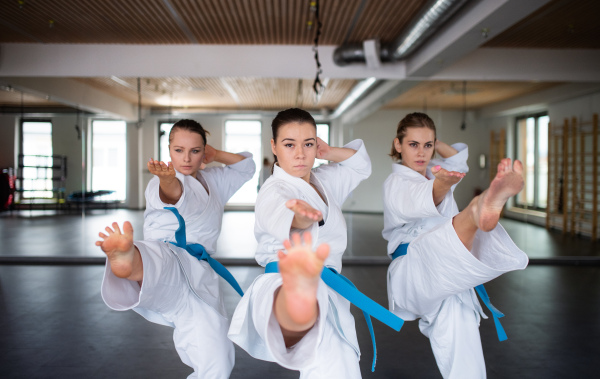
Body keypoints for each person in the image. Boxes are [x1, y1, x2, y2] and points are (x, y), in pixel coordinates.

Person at [228, 108, 402, 379]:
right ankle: (298, 302)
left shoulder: (325, 179)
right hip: (282, 281)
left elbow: (361, 165)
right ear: (273, 146)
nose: (300, 153)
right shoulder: (274, 190)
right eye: (289, 144)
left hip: (327, 287)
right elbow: (279, 215)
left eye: (308, 144)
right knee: (328, 357)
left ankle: (303, 304)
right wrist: (299, 216)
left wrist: (328, 151)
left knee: (336, 364)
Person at [97, 119, 255, 379]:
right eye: (178, 150)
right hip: (168, 254)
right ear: (168, 149)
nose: (186, 158)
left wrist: (217, 154)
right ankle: (129, 258)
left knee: (218, 358)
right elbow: (175, 195)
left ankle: (134, 261)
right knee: (157, 260)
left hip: (199, 274)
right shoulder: (162, 182)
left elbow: (245, 168)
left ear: (204, 152)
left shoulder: (214, 181)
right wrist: (167, 180)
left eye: (195, 151)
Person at [382, 112, 528, 378]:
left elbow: (460, 162)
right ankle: (475, 212)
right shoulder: (396, 183)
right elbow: (421, 198)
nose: (422, 152)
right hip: (413, 270)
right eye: (413, 144)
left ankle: (476, 212)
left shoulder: (436, 169)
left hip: (448, 275)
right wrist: (440, 186)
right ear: (397, 144)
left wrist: (434, 149)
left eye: (428, 145)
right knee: (443, 241)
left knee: (463, 334)